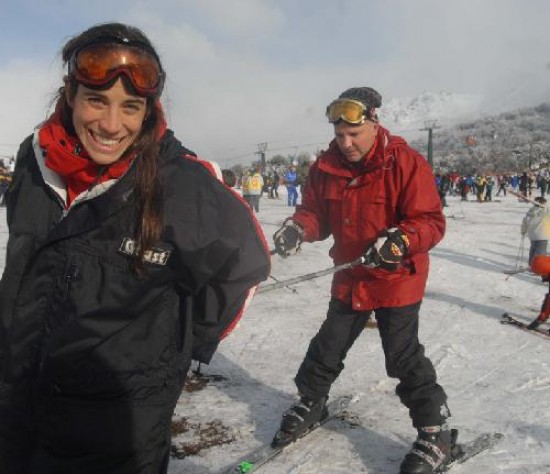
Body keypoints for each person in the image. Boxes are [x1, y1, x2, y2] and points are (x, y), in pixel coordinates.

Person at [0, 22, 270, 474]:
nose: (110, 124)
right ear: (70, 94)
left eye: (130, 107)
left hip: (115, 430)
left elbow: (243, 263)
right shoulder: (35, 160)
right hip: (17, 403)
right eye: (96, 101)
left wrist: (172, 348)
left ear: (148, 111)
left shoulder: (179, 183)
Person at [272, 87, 452, 473]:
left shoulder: (403, 162)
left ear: (374, 121)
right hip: (351, 275)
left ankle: (435, 431)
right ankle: (311, 400)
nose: (346, 143)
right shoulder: (325, 167)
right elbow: (314, 213)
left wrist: (402, 239)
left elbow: (431, 222)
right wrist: (298, 228)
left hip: (395, 277)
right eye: (339, 135)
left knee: (402, 355)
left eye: (354, 134)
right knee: (328, 344)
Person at [520, 196, 550, 265]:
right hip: (542, 235)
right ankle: (538, 267)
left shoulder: (530, 211)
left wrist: (523, 231)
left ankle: (531, 264)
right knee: (540, 253)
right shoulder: (545, 211)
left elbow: (525, 222)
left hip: (532, 236)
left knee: (533, 251)